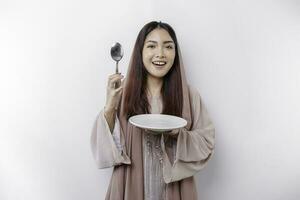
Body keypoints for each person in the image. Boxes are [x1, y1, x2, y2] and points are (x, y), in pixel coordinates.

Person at [90, 21, 215, 200]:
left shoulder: (188, 94)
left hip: (175, 190)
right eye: (151, 46)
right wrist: (110, 105)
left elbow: (207, 142)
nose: (160, 54)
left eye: (168, 47)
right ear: (140, 51)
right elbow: (103, 151)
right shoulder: (122, 93)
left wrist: (178, 135)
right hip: (129, 185)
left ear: (175, 53)